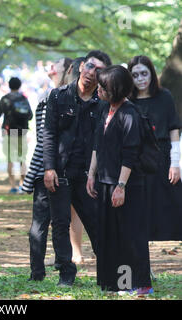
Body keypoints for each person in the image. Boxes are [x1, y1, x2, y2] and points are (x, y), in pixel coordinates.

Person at [43, 50, 111, 286]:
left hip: (88, 177)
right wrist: (49, 168)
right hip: (60, 172)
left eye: (99, 71)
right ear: (81, 66)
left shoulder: (103, 104)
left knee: (96, 223)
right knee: (60, 223)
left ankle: (107, 271)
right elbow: (49, 134)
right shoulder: (58, 96)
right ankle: (66, 273)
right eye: (90, 66)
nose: (92, 73)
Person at [86, 65, 152, 294]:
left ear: (114, 89)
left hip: (127, 185)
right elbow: (97, 144)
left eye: (103, 86)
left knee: (130, 235)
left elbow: (130, 153)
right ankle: (114, 282)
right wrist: (91, 174)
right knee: (109, 234)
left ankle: (138, 284)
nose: (99, 89)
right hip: (104, 181)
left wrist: (121, 186)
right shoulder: (105, 110)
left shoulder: (129, 114)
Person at [22, 57, 72, 281]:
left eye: (56, 66)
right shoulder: (48, 97)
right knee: (44, 223)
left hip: (62, 169)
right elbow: (44, 139)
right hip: (47, 169)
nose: (51, 69)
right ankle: (38, 272)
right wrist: (38, 171)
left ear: (67, 70)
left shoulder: (65, 97)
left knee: (56, 222)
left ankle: (56, 269)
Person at [128, 55, 182, 241]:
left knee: (169, 205)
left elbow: (174, 128)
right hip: (136, 160)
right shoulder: (128, 101)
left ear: (151, 73)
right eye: (135, 75)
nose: (140, 79)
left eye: (144, 73)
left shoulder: (164, 96)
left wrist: (175, 163)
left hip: (162, 157)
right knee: (139, 209)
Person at [0, 77, 33, 193]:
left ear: (9, 86)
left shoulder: (5, 99)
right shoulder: (23, 98)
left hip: (9, 132)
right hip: (22, 132)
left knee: (10, 160)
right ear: (19, 86)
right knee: (22, 159)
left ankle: (13, 186)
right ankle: (22, 184)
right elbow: (30, 115)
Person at [65, 57, 87, 265]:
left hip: (88, 162)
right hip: (74, 163)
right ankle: (76, 252)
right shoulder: (60, 96)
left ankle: (78, 252)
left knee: (76, 211)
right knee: (75, 211)